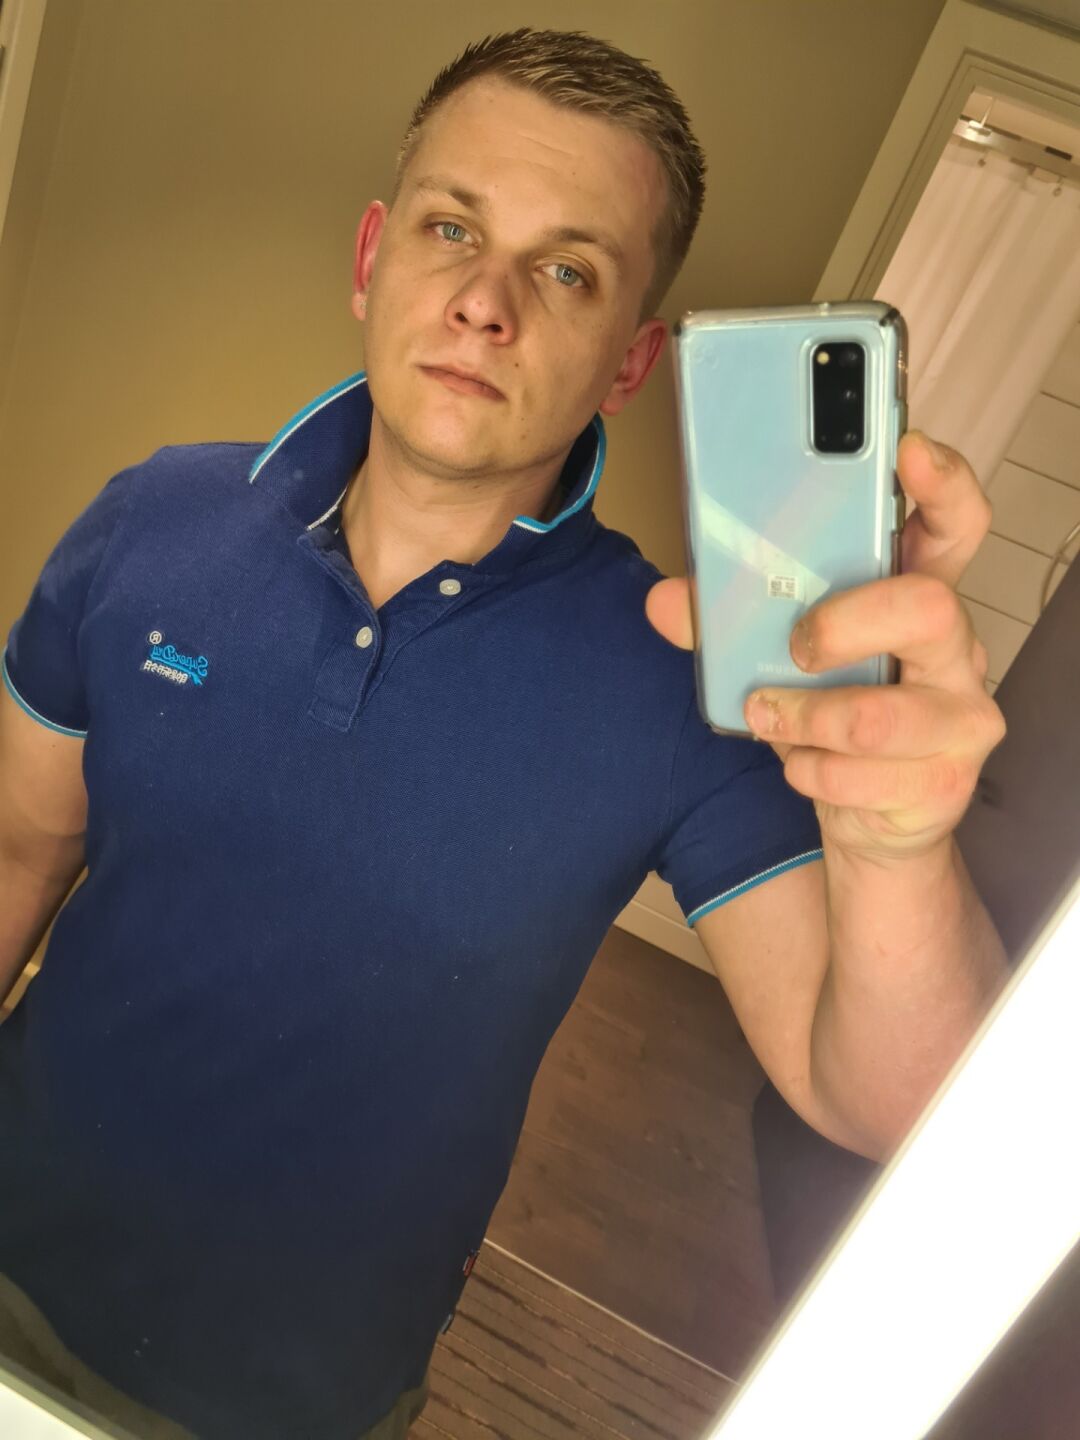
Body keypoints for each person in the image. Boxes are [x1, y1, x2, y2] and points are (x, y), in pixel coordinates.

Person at [0, 26, 1008, 1440]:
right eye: (452, 229)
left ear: (629, 362)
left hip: (295, 1393)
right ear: (372, 258)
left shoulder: (682, 673)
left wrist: (898, 846)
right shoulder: (150, 520)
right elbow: (19, 847)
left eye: (567, 270)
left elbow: (884, 1100)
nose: (485, 303)